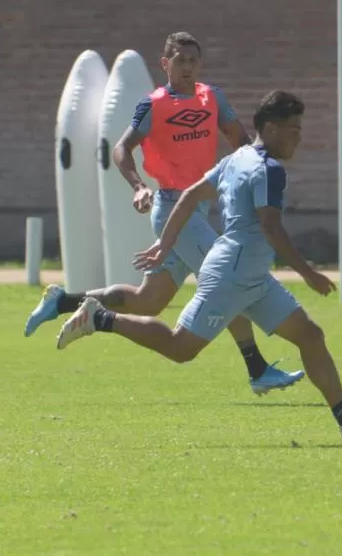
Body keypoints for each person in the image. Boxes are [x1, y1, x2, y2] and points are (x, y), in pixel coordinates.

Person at [55, 90, 342, 443]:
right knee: (180, 347)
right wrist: (308, 273)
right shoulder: (268, 169)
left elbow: (189, 196)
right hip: (231, 275)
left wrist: (166, 243)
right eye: (294, 129)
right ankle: (100, 318)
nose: (299, 137)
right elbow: (270, 227)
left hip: (252, 277)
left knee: (310, 335)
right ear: (272, 129)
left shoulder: (238, 158)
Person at [25, 31, 303, 395]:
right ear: (165, 64)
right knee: (228, 281)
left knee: (148, 301)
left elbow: (239, 139)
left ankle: (63, 300)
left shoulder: (213, 97)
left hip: (197, 210)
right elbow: (122, 149)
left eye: (193, 61)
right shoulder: (152, 104)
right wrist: (139, 186)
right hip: (173, 207)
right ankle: (257, 368)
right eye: (180, 60)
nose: (188, 67)